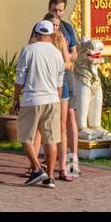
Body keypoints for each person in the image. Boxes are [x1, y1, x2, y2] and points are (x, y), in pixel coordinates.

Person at [13, 20, 67, 187]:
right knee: (51, 140)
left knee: (25, 137)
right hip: (52, 99)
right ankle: (49, 177)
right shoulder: (57, 53)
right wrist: (56, 98)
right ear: (51, 35)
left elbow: (20, 77)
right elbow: (60, 80)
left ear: (36, 34)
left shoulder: (28, 50)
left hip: (32, 99)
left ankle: (37, 168)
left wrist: (15, 97)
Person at [49, 0, 82, 176]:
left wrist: (66, 55)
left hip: (67, 75)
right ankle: (48, 158)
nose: (58, 13)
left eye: (60, 10)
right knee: (50, 119)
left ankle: (72, 159)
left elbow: (74, 53)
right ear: (49, 8)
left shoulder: (67, 28)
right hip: (49, 78)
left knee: (70, 116)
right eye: (55, 9)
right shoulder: (43, 26)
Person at [43, 10, 76, 181]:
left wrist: (57, 63)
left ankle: (64, 167)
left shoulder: (61, 39)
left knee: (62, 126)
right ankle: (36, 166)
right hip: (43, 86)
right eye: (52, 26)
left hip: (60, 84)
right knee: (42, 128)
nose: (55, 29)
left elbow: (69, 63)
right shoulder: (39, 40)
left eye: (57, 25)